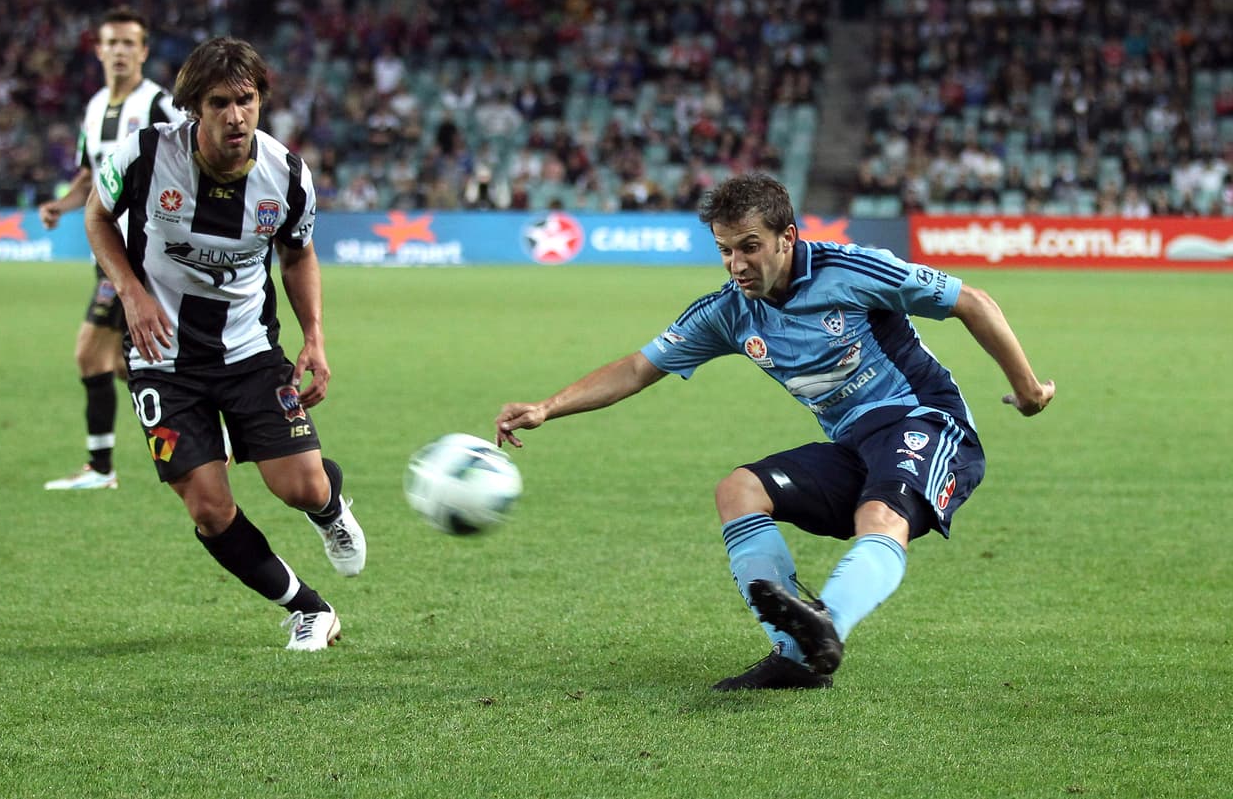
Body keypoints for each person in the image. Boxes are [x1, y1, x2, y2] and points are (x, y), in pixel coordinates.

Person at [495, 172, 1054, 689]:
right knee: (737, 490)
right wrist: (549, 406)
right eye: (724, 250)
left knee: (878, 517)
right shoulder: (730, 311)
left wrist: (1028, 391)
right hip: (853, 443)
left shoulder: (851, 271)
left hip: (923, 420)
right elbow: (641, 367)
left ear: (787, 237)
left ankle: (827, 624)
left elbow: (972, 302)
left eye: (749, 246)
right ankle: (796, 655)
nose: (735, 264)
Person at [83, 36, 366, 650]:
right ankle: (308, 608)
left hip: (248, 351)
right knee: (208, 508)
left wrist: (314, 337)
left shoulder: (287, 173)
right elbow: (97, 216)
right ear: (194, 108)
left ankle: (329, 506)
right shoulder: (146, 155)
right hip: (161, 358)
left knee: (300, 487)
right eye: (219, 103)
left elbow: (298, 255)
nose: (235, 115)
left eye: (247, 100)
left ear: (261, 101)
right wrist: (130, 292)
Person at [42, 8, 186, 490]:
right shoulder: (94, 105)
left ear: (143, 51)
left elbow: (193, 152)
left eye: (130, 43)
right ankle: (204, 420)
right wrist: (61, 206)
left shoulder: (159, 104)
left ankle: (100, 469)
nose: (120, 51)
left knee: (89, 353)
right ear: (99, 49)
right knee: (131, 360)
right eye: (112, 43)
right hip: (104, 248)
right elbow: (90, 171)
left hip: (138, 252)